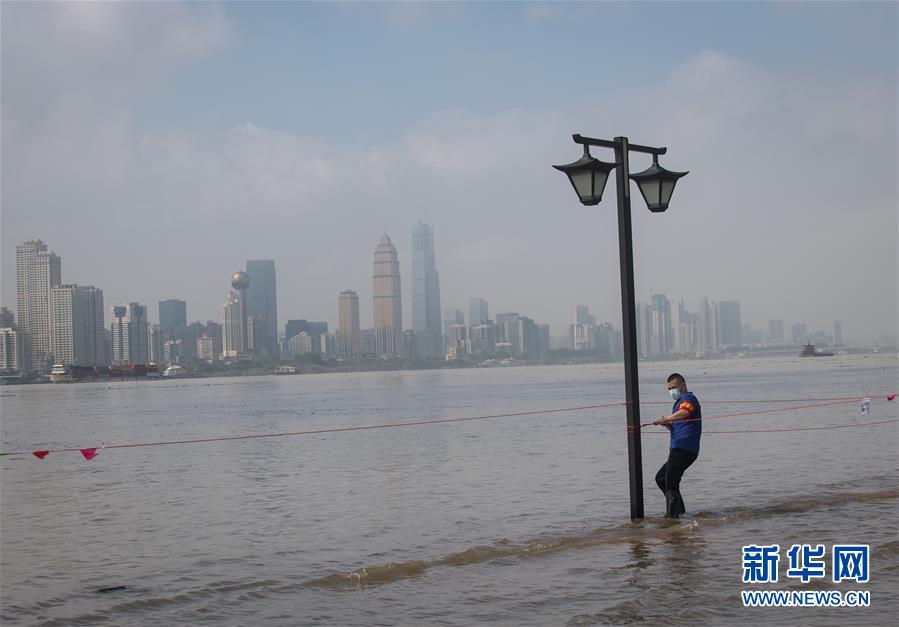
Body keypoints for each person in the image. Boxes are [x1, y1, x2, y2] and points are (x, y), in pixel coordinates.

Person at [652, 373, 701, 518]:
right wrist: (666, 424)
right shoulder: (677, 404)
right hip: (677, 446)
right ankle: (680, 512)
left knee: (671, 479)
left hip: (685, 448)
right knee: (661, 478)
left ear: (683, 386)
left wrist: (666, 418)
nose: (671, 391)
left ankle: (671, 518)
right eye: (669, 389)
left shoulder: (688, 399)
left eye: (673, 387)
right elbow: (677, 424)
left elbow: (685, 412)